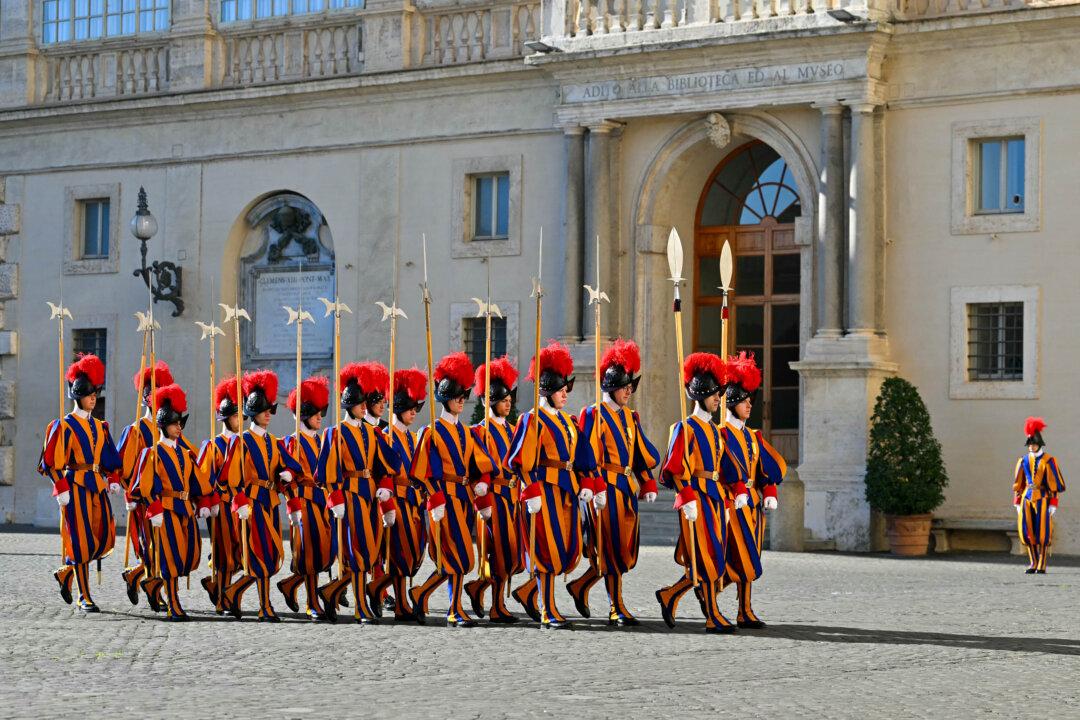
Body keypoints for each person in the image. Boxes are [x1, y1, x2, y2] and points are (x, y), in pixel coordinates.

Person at [505, 341, 600, 629]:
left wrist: (586, 482)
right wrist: (531, 490)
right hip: (544, 490)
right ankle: (548, 609)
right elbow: (523, 459)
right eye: (561, 389)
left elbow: (583, 455)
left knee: (566, 549)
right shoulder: (533, 420)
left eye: (566, 389)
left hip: (567, 491)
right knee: (546, 550)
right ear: (547, 389)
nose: (565, 393)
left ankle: (529, 594)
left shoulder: (569, 422)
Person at [570, 339, 660, 627]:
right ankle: (615, 606)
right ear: (612, 386)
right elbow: (586, 455)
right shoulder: (593, 414)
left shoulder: (631, 418)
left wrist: (646, 482)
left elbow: (639, 453)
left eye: (631, 386)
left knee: (623, 549)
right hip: (603, 489)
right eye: (625, 386)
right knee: (609, 548)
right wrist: (592, 486)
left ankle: (581, 585)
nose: (629, 391)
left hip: (625, 488)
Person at [409, 352, 495, 627]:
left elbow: (478, 462)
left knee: (457, 555)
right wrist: (434, 499)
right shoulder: (431, 431)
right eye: (458, 394)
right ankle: (454, 609)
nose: (462, 399)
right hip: (444, 499)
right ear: (446, 396)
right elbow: (422, 470)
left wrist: (481, 481)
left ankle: (421, 592)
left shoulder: (468, 433)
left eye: (464, 394)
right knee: (459, 554)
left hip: (463, 497)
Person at [655, 352, 739, 634]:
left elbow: (723, 469)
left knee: (714, 555)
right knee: (704, 555)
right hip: (696, 498)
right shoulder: (684, 428)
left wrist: (727, 500)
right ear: (700, 394)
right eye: (715, 394)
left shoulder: (716, 431)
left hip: (714, 498)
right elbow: (676, 468)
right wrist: (687, 497)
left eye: (719, 393)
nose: (719, 398)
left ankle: (670, 595)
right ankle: (713, 614)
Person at [38, 354, 123, 612]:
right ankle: (84, 595)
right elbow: (51, 463)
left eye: (95, 393)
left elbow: (110, 457)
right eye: (88, 394)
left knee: (103, 537)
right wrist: (60, 488)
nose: (93, 397)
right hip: (74, 488)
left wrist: (114, 478)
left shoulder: (100, 426)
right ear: (78, 396)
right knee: (81, 541)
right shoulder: (63, 426)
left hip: (97, 487)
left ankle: (66, 573)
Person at [316, 362, 400, 623]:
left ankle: (331, 592)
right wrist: (335, 498)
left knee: (371, 551)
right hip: (350, 495)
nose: (366, 406)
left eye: (367, 402)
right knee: (360, 551)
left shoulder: (371, 432)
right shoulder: (336, 432)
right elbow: (327, 471)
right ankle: (359, 607)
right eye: (361, 402)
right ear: (350, 403)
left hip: (369, 494)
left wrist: (385, 486)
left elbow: (386, 464)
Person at [221, 370, 303, 621]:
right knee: (260, 553)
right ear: (253, 412)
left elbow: (291, 466)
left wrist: (287, 472)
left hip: (270, 501)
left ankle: (233, 591)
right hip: (252, 503)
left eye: (270, 409)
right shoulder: (241, 442)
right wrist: (240, 503)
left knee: (271, 552)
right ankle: (264, 606)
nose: (269, 413)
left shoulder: (274, 442)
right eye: (265, 409)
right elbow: (228, 479)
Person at [135, 384, 216, 621]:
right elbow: (145, 485)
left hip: (184, 509)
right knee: (170, 558)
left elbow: (198, 481)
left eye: (180, 423)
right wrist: (154, 507)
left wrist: (203, 499)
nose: (179, 427)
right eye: (174, 423)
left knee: (186, 556)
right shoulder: (152, 453)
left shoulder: (184, 453)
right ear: (163, 425)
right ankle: (174, 604)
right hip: (166, 509)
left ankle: (152, 585)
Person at [719, 352, 787, 628]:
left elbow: (767, 468)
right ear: (732, 402)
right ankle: (705, 594)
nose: (750, 405)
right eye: (745, 400)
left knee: (751, 554)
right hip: (730, 503)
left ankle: (744, 609)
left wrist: (769, 489)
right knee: (737, 557)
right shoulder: (720, 433)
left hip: (753, 505)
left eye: (751, 401)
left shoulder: (753, 436)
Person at [118, 360, 191, 610]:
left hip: (169, 500)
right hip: (144, 499)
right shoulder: (136, 431)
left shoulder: (171, 430)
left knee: (165, 547)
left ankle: (141, 578)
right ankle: (150, 584)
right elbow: (124, 468)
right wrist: (130, 493)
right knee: (152, 546)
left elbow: (186, 456)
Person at [366, 367, 429, 622]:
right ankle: (401, 603)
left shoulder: (411, 436)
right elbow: (384, 472)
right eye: (411, 407)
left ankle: (377, 588)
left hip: (413, 500)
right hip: (395, 499)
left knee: (413, 554)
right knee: (399, 554)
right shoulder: (386, 435)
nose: (414, 412)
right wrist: (387, 504)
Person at [465, 356, 524, 623]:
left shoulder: (513, 430)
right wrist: (483, 502)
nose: (508, 402)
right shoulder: (479, 432)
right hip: (493, 498)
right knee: (500, 553)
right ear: (490, 401)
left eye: (509, 398)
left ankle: (479, 587)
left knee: (513, 555)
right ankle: (496, 606)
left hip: (513, 497)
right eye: (502, 399)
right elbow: (477, 469)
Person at [278, 375, 335, 621]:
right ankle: (312, 602)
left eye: (320, 412)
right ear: (304, 414)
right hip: (303, 503)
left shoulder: (321, 441)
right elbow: (287, 479)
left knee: (324, 551)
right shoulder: (292, 442)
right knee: (309, 553)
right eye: (315, 413)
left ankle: (291, 585)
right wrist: (293, 506)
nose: (320, 417)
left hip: (321, 502)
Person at [196, 377, 241, 613]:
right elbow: (203, 480)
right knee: (225, 556)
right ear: (225, 418)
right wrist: (207, 503)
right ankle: (224, 601)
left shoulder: (243, 444)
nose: (239, 420)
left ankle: (219, 588)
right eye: (235, 416)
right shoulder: (212, 445)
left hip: (240, 506)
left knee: (238, 553)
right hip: (220, 506)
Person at [1013, 417, 1066, 574]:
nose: (1031, 447)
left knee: (1042, 532)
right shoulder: (1022, 460)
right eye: (1029, 445)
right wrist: (1017, 501)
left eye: (1033, 444)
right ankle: (1033, 562)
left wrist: (1053, 503)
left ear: (1039, 444)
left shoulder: (1049, 461)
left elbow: (1054, 484)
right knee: (1027, 531)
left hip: (1043, 498)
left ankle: (1042, 564)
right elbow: (1018, 483)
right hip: (1026, 498)